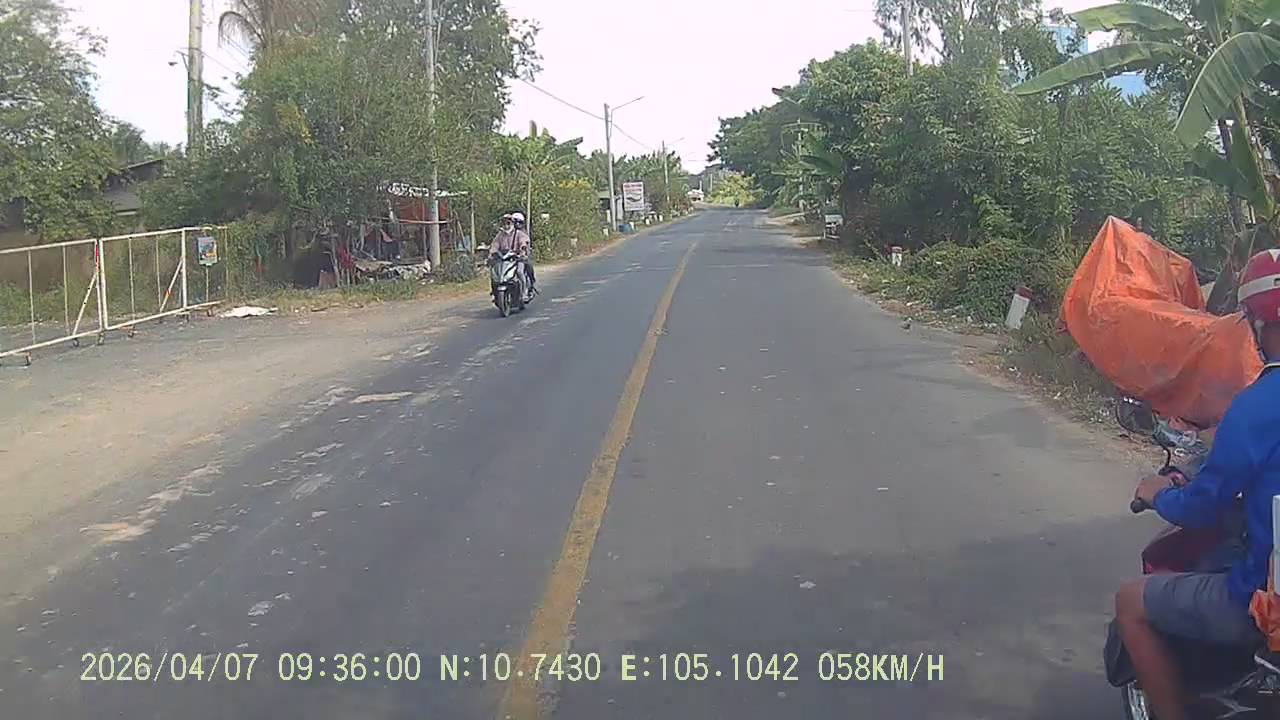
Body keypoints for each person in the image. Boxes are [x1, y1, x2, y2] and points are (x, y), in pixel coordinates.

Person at [1116, 248, 1280, 720]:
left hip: (1262, 602)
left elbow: (1203, 505)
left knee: (1129, 603)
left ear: (1258, 324)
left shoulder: (1256, 406)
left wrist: (1159, 494)